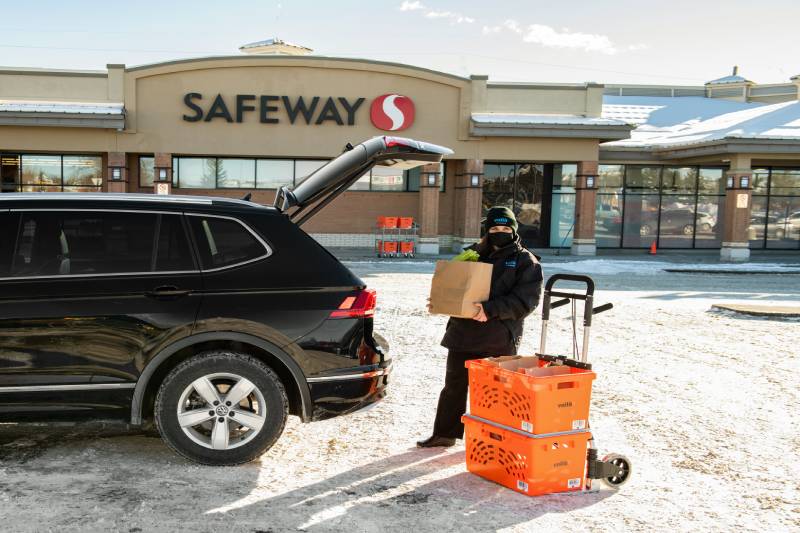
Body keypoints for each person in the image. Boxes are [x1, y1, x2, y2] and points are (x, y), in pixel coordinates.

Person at [417, 206, 544, 448]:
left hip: (497, 337)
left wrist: (490, 310)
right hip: (462, 333)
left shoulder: (525, 261)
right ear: (487, 230)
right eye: (495, 228)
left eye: (506, 228)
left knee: (493, 393)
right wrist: (443, 299)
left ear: (514, 230)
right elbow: (455, 285)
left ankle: (493, 440)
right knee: (454, 385)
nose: (500, 232)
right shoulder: (472, 254)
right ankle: (444, 433)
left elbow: (525, 302)